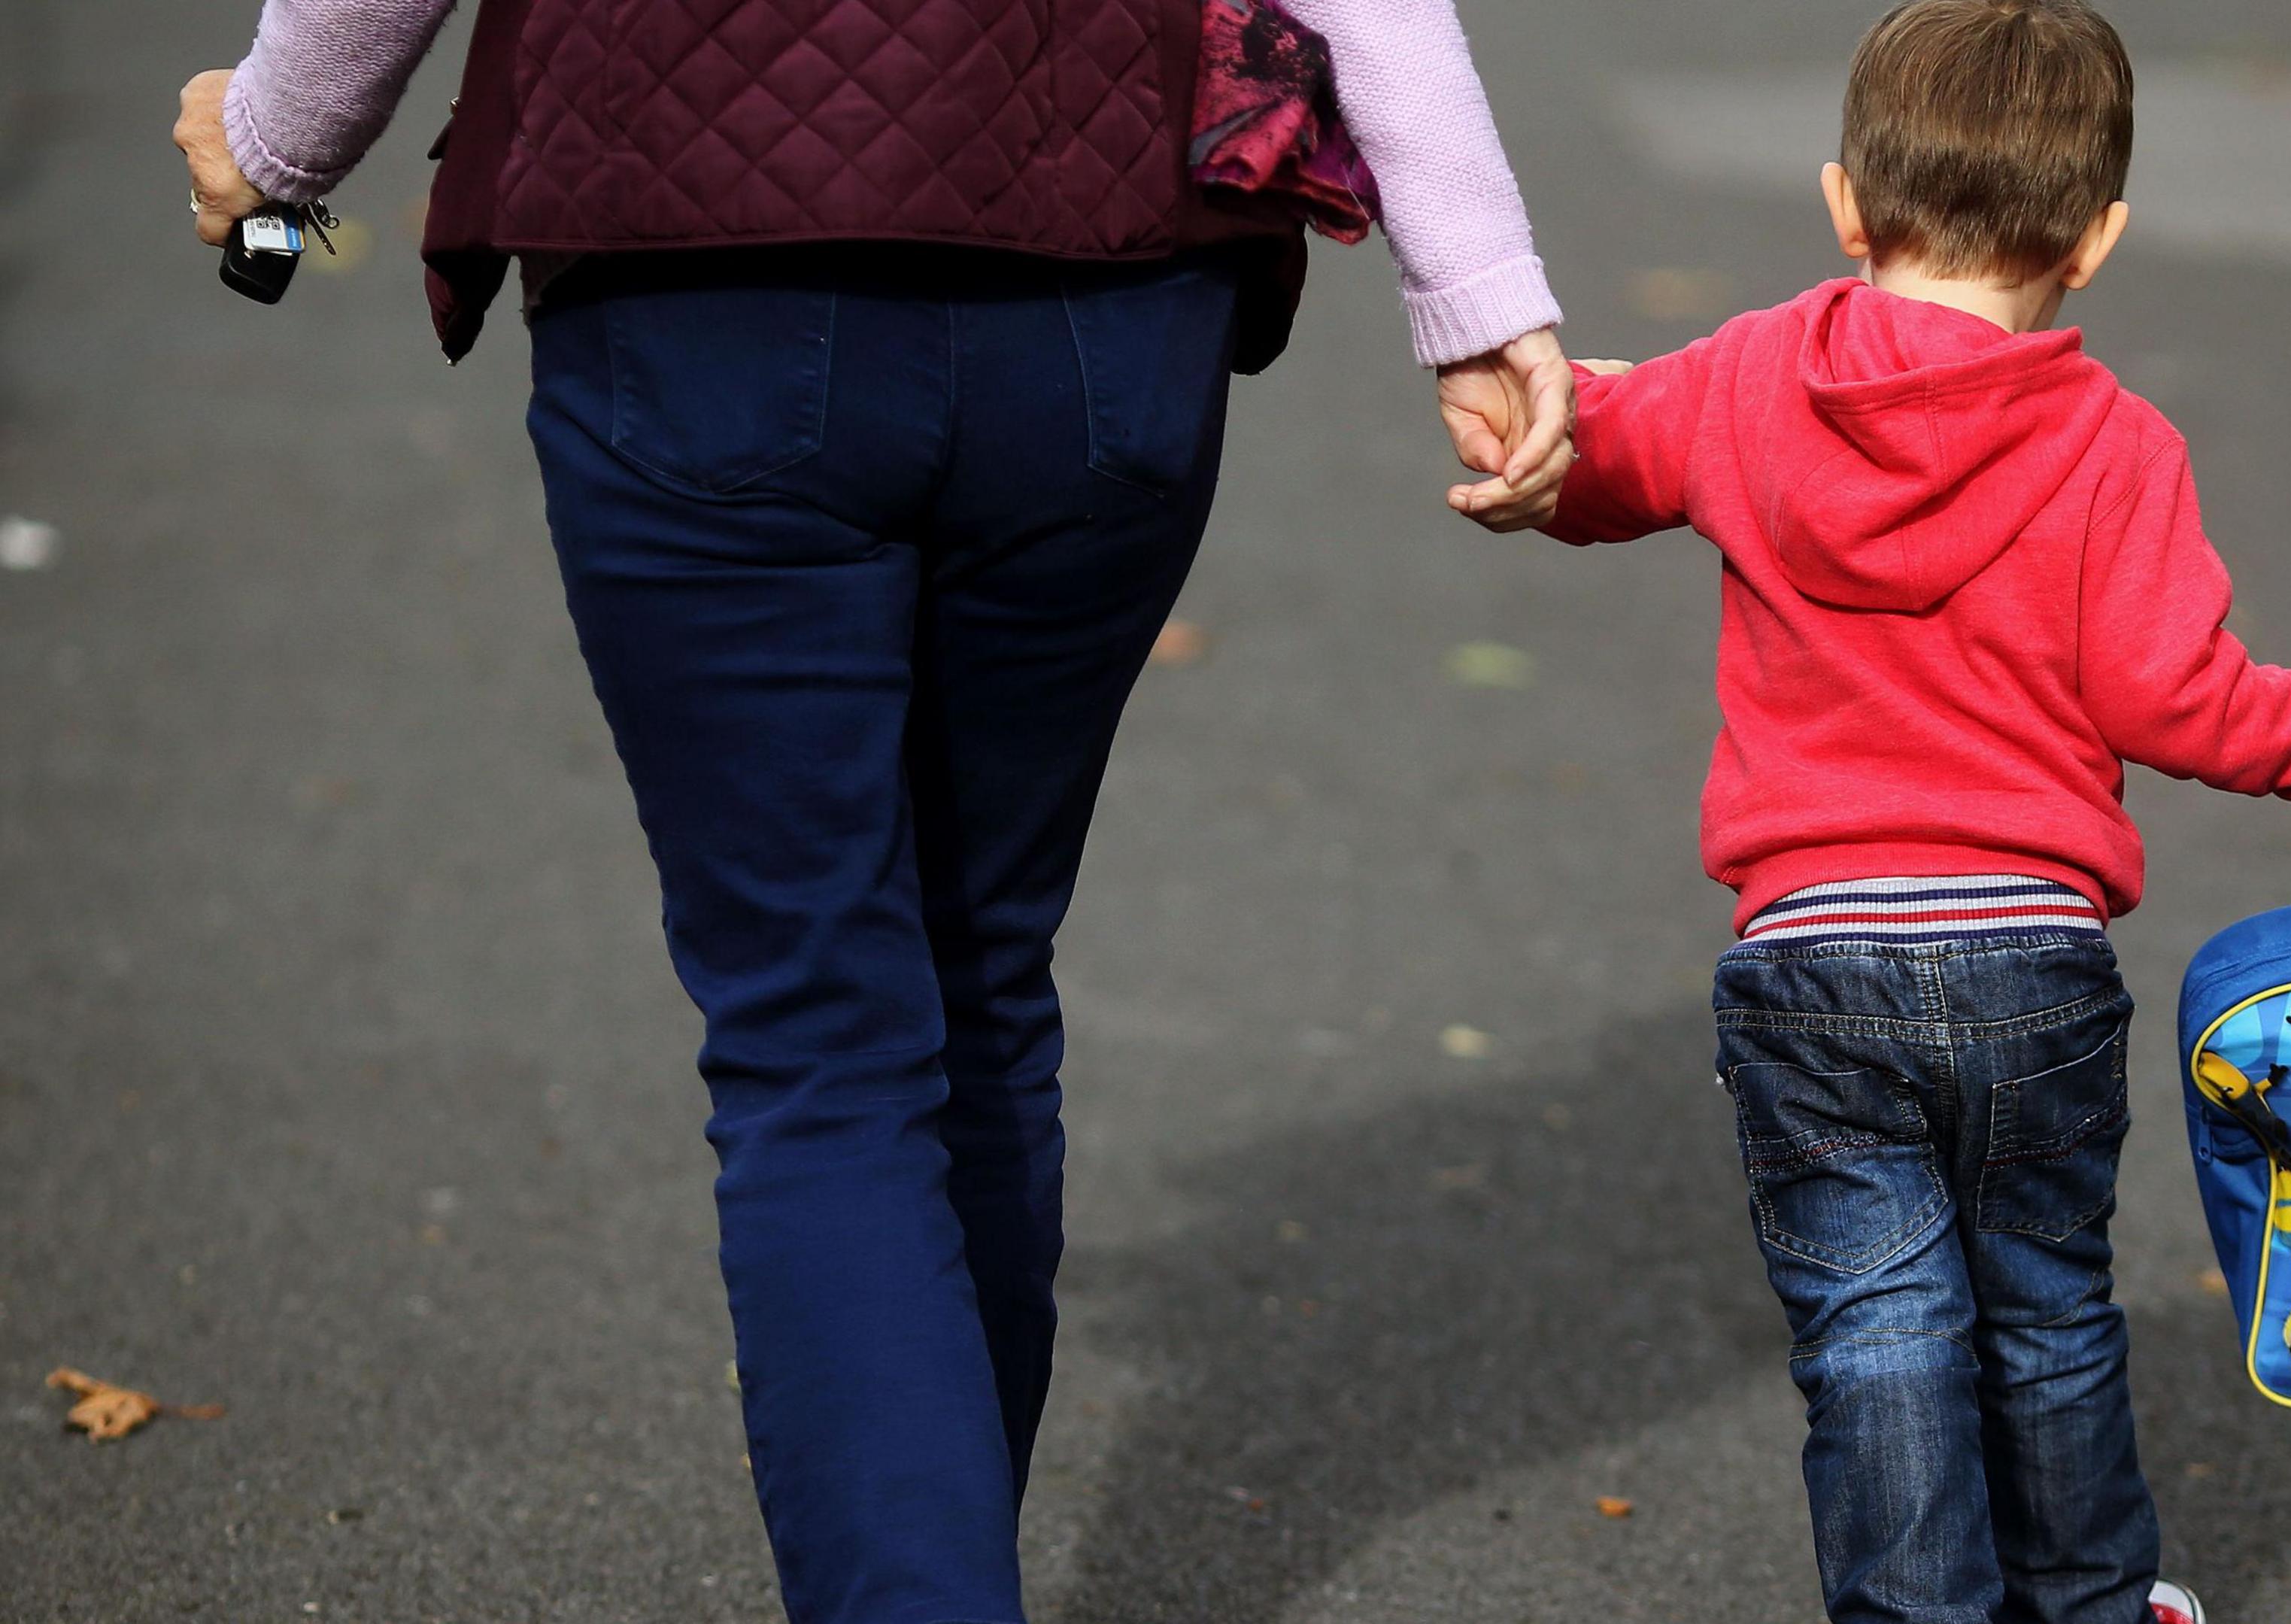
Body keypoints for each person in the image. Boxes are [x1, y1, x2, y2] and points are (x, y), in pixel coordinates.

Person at [172, 2, 1570, 1621]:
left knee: (820, 1036)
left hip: (700, 279)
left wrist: (277, 140)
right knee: (980, 979)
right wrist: (1475, 293)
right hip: (1105, 291)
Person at [1504, 4, 2291, 1621]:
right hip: (2030, 960)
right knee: (2052, 1314)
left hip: (1812, 959)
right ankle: (2086, 1602)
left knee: (1874, 1333)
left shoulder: (1744, 380)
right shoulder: (2114, 443)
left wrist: (1541, 415)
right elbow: (2172, 696)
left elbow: (1598, 457)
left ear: (1847, 207)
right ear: (2098, 240)